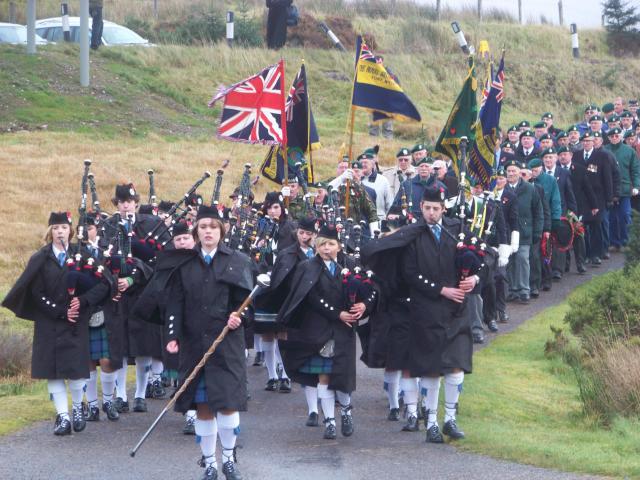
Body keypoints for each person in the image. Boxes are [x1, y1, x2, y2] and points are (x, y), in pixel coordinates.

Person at [362, 187, 479, 443]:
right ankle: (432, 423)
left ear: (443, 208)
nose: (432, 213)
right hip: (427, 310)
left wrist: (474, 277)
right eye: (427, 208)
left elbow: (482, 256)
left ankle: (450, 419)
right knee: (431, 369)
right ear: (421, 207)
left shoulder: (456, 230)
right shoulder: (412, 235)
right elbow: (409, 273)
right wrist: (441, 290)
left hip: (457, 309)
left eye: (436, 208)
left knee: (456, 366)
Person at [164, 206, 254, 480]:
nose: (208, 231)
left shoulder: (237, 260)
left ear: (221, 231)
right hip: (194, 343)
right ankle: (209, 463)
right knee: (203, 406)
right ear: (196, 231)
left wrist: (238, 317)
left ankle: (228, 458)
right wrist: (172, 335)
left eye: (213, 227)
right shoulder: (184, 264)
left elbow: (248, 300)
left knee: (227, 403)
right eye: (203, 227)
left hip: (226, 343)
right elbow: (174, 302)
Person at [3, 212, 111, 435]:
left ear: (70, 231)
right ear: (49, 231)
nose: (59, 231)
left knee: (75, 370)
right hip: (49, 321)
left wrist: (81, 302)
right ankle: (62, 417)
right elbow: (35, 291)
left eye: (63, 227)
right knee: (52, 372)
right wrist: (61, 312)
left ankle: (77, 408)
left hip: (76, 321)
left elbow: (101, 285)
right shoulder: (40, 258)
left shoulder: (82, 256)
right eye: (55, 228)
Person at [278, 224, 376, 440]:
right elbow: (310, 297)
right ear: (316, 246)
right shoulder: (307, 267)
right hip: (318, 329)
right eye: (322, 244)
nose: (326, 249)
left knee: (341, 375)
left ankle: (347, 411)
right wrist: (337, 313)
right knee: (324, 377)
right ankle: (330, 421)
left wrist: (364, 306)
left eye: (331, 244)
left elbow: (371, 290)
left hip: (344, 329)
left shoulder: (351, 265)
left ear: (339, 246)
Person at [99, 183, 170, 414]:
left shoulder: (150, 224)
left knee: (143, 347)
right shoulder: (108, 226)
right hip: (116, 295)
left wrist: (135, 276)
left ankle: (140, 394)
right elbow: (101, 257)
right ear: (116, 204)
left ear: (136, 203)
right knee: (118, 347)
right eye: (121, 201)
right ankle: (121, 395)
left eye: (129, 201)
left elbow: (161, 258)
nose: (125, 205)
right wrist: (115, 280)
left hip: (144, 293)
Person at [269, 216, 320, 425]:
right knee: (305, 360)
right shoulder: (286, 255)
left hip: (321, 314)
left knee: (322, 360)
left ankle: (326, 399)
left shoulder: (326, 253)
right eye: (302, 233)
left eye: (309, 234)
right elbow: (277, 283)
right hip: (296, 312)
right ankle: (313, 409)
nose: (305, 237)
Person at [505, 160, 543, 304]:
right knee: (509, 261)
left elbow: (538, 211)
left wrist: (538, 231)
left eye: (513, 170)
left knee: (522, 259)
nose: (511, 173)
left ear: (520, 172)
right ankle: (512, 290)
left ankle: (524, 290)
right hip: (507, 232)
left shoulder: (529, 188)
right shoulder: (502, 188)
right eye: (508, 171)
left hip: (524, 231)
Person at [572, 132, 614, 266]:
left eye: (589, 141)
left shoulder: (602, 156)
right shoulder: (577, 155)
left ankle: (596, 254)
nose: (586, 143)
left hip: (598, 196)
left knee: (596, 226)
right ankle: (586, 255)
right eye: (584, 141)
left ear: (594, 142)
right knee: (582, 228)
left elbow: (607, 178)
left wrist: (609, 197)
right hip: (582, 198)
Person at [360, 151, 393, 220]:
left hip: (379, 219)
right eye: (361, 163)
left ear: (373, 165)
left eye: (365, 162)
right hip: (360, 220)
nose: (363, 165)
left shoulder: (383, 180)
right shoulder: (355, 181)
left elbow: (389, 204)